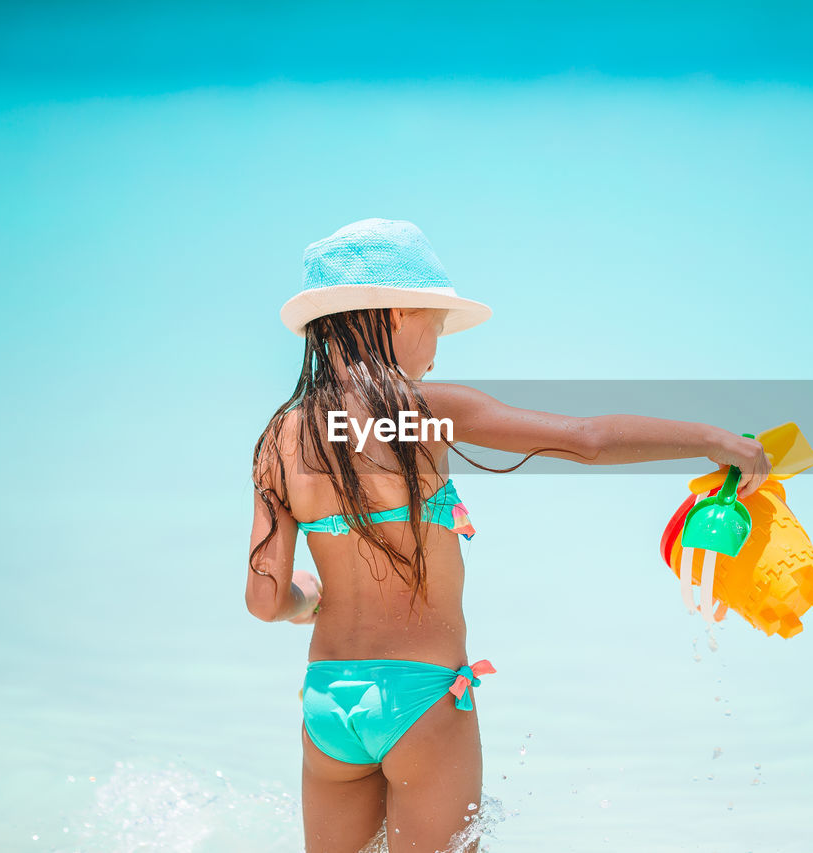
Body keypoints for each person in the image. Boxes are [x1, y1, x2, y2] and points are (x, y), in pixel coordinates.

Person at [246, 218, 770, 853]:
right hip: (422, 702)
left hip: (329, 705)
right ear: (398, 314)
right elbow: (586, 441)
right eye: (435, 325)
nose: (436, 350)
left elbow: (265, 601)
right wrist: (716, 441)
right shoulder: (423, 411)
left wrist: (311, 598)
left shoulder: (281, 438)